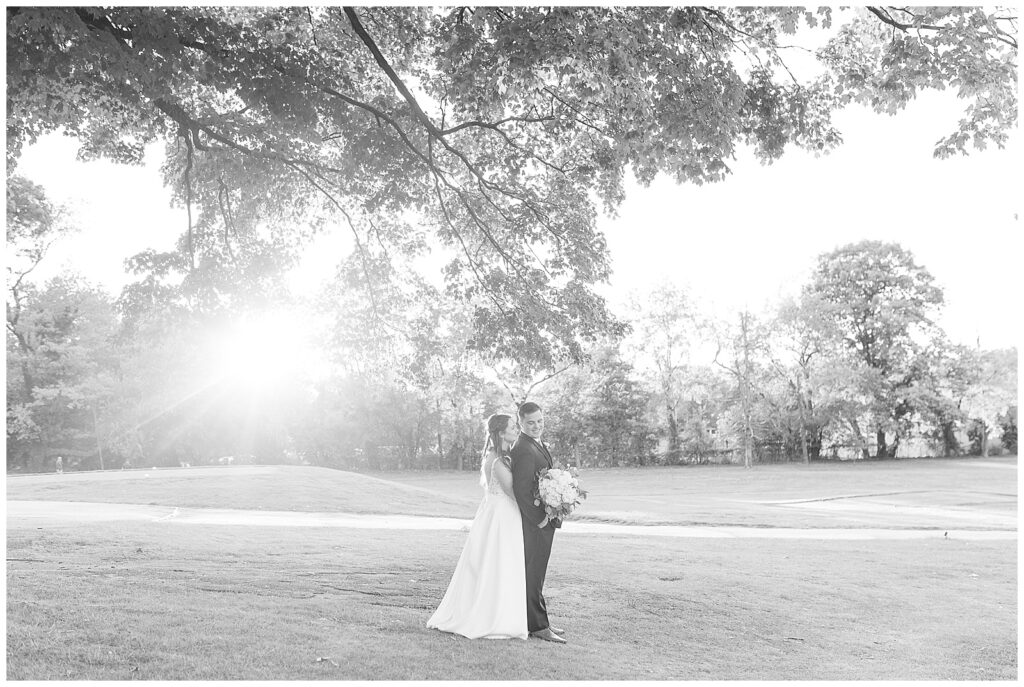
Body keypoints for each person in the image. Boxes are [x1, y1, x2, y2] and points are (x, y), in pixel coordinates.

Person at [427, 414, 528, 639]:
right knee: (499, 562)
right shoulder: (499, 461)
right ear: (501, 433)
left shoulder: (497, 456)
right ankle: (493, 617)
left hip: (494, 512)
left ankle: (500, 612)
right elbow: (513, 492)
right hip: (502, 515)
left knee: (494, 563)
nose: (516, 429)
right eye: (512, 427)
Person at [510, 401, 566, 644]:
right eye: (531, 422)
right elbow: (521, 490)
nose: (536, 426)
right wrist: (541, 519)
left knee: (538, 573)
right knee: (533, 573)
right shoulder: (522, 448)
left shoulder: (536, 444)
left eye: (540, 421)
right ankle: (538, 626)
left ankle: (538, 619)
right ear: (521, 421)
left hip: (546, 518)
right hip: (535, 523)